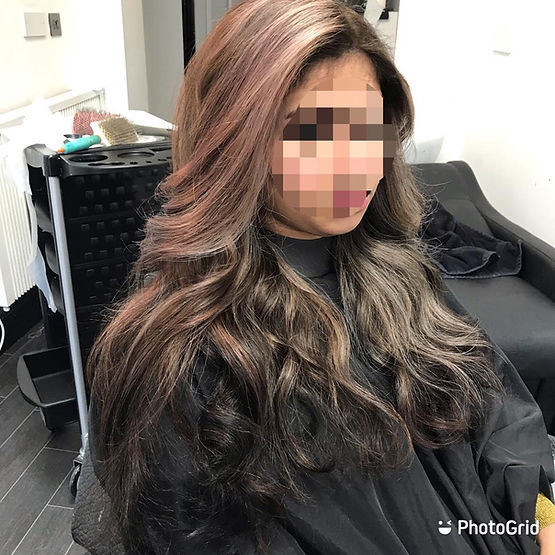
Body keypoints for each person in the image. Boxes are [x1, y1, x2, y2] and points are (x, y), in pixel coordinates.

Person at [84, 0, 555, 553]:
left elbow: (501, 418)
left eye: (369, 129)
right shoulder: (184, 359)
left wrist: (539, 522)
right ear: (234, 142)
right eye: (312, 133)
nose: (355, 161)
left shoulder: (399, 272)